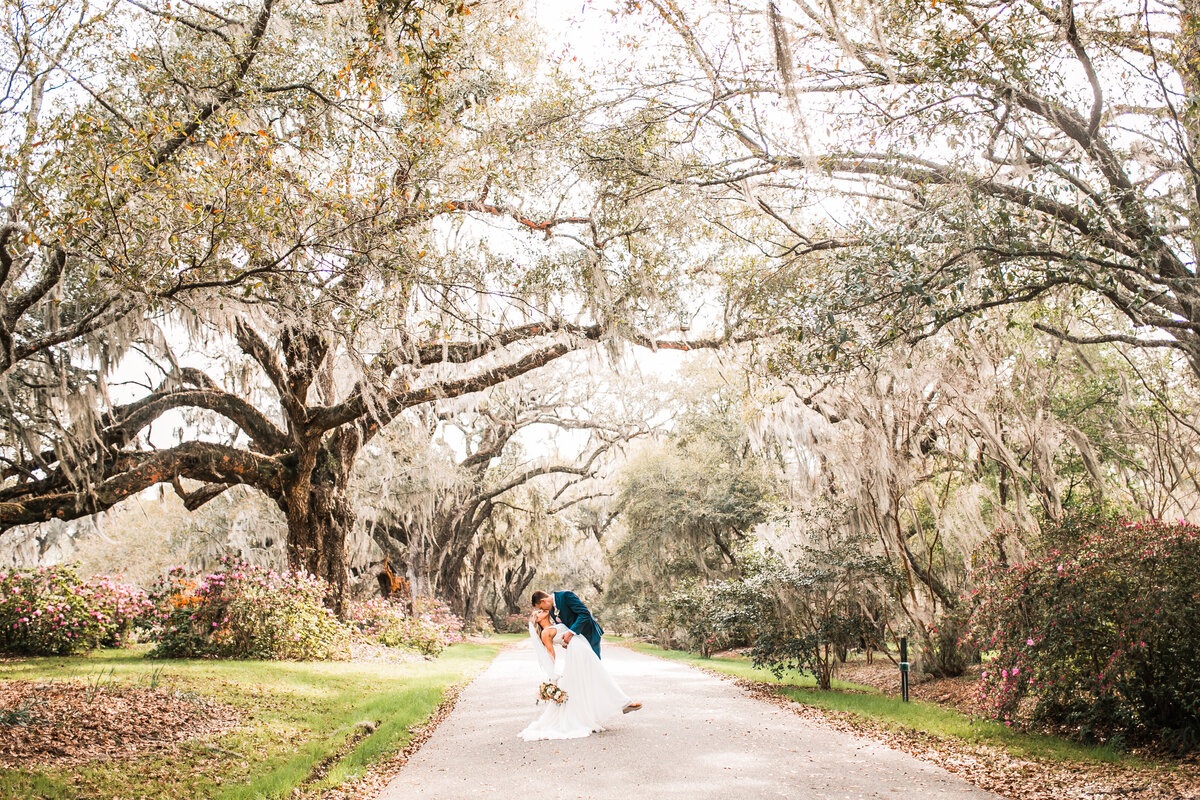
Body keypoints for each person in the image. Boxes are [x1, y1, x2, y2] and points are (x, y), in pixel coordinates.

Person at [519, 590, 642, 741]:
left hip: (587, 637)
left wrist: (569, 634)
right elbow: (551, 651)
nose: (543, 611)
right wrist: (553, 674)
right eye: (539, 612)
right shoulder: (547, 625)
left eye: (541, 608)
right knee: (595, 674)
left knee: (594, 674)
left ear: (543, 601)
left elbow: (584, 614)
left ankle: (614, 706)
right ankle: (622, 704)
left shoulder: (565, 597)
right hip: (577, 648)